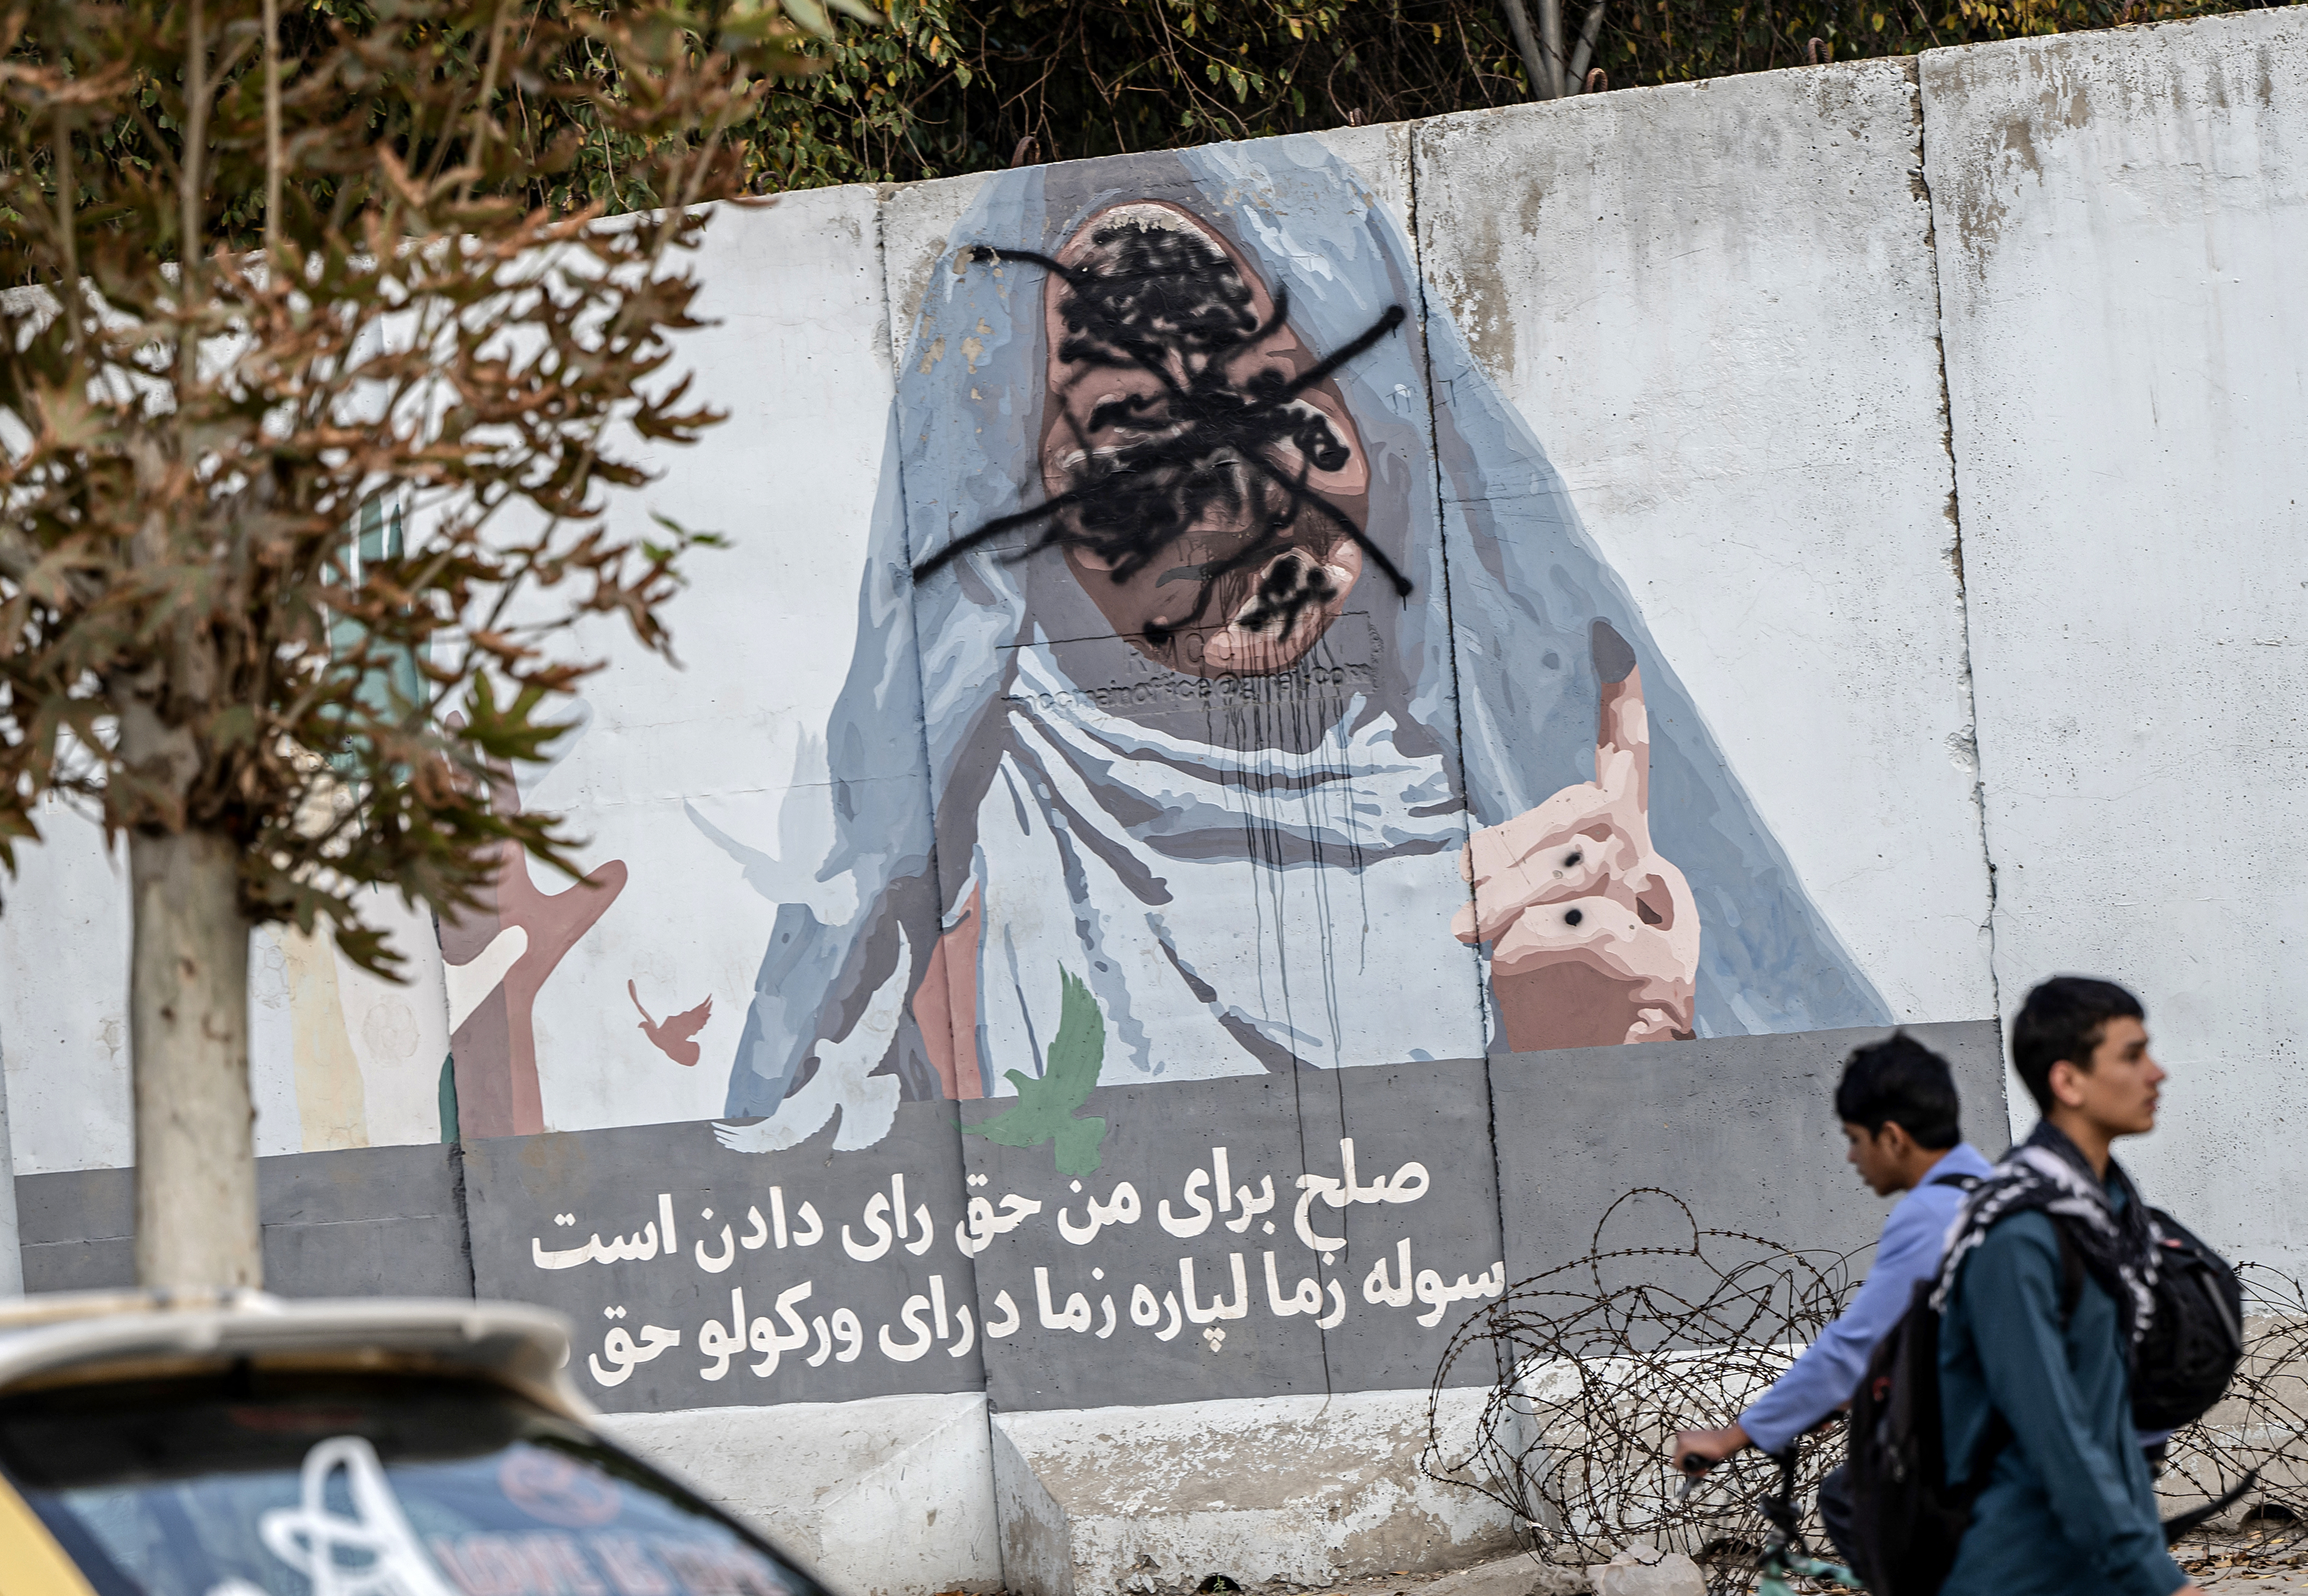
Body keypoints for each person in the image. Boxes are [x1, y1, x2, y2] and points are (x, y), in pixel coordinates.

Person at [699, 143, 1892, 1151]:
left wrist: (1609, 1069)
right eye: (1126, 428)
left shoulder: (1549, 840)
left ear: (1376, 414)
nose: (1227, 496)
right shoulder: (973, 861)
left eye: (1270, 386)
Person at [1670, 1031, 1993, 1568]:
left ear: (1892, 1137)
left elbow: (1855, 1348)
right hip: (2041, 1432)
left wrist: (1733, 1435)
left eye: (1854, 1138)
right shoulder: (1989, 1187)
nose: (1850, 1156)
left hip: (2002, 1452)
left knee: (1853, 1501)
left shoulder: (1935, 1213)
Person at [1923, 978, 2198, 1596]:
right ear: (2068, 1082)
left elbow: (2105, 1414)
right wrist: (2156, 1576)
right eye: (2132, 1055)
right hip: (2016, 1570)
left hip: (2098, 1562)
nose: (2157, 1073)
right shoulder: (2018, 1231)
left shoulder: (2107, 1216)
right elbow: (2051, 1427)